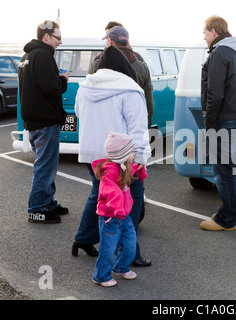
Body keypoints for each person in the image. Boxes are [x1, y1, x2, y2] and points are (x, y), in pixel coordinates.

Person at [71, 46, 151, 257]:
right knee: (128, 202)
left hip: (92, 153)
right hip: (121, 157)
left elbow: (79, 113)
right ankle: (128, 252)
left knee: (98, 194)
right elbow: (138, 127)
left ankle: (83, 238)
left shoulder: (85, 87)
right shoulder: (129, 89)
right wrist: (141, 156)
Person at [18, 20, 70, 224]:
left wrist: (54, 77)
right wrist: (63, 79)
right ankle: (38, 209)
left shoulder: (28, 56)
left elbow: (39, 84)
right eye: (58, 37)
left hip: (34, 120)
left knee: (47, 165)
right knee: (45, 166)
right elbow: (50, 87)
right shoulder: (43, 55)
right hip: (45, 121)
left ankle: (48, 203)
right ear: (46, 36)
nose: (60, 42)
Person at [199, 16, 236, 231]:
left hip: (222, 120)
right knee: (234, 168)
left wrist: (209, 122)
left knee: (223, 171)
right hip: (235, 117)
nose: (204, 37)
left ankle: (225, 220)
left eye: (205, 33)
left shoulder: (219, 53)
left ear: (213, 32)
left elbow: (215, 93)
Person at [92, 132, 147, 287]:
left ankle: (121, 267)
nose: (133, 153)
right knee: (107, 250)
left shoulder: (123, 167)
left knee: (130, 244)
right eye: (131, 152)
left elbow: (131, 170)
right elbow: (109, 191)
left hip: (124, 216)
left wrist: (138, 167)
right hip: (110, 217)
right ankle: (100, 276)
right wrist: (117, 208)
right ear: (121, 155)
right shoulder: (109, 172)